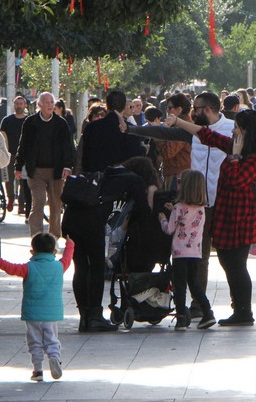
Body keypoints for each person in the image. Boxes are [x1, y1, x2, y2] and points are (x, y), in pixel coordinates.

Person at [125, 92, 235, 319]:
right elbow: (164, 132)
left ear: (208, 109)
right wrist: (132, 129)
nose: (192, 113)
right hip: (198, 202)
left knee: (229, 257)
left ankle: (238, 302)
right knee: (199, 256)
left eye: (196, 108)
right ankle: (196, 304)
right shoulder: (193, 132)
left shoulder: (232, 128)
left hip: (225, 201)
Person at [164, 109, 256, 326]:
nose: (233, 130)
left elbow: (237, 180)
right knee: (226, 262)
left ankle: (244, 312)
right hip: (226, 215)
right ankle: (238, 308)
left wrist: (235, 157)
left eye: (238, 127)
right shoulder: (235, 146)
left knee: (237, 265)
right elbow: (206, 135)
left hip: (241, 219)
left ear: (248, 131)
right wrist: (177, 122)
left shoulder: (254, 157)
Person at [62, 156, 158, 332]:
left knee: (81, 268)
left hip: (71, 220)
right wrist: (151, 190)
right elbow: (144, 212)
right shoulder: (134, 180)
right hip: (91, 224)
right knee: (97, 267)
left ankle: (84, 317)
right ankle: (95, 316)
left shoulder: (106, 173)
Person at [0, 233, 74, 382]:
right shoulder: (59, 266)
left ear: (32, 252)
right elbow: (67, 258)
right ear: (54, 252)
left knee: (34, 341)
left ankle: (38, 370)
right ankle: (54, 357)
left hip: (32, 313)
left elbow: (10, 268)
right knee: (52, 339)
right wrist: (70, 245)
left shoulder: (28, 268)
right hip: (51, 313)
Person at [158, 170, 217, 330]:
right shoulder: (201, 209)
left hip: (179, 254)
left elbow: (170, 229)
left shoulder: (178, 208)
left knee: (180, 287)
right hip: (195, 253)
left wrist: (163, 219)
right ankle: (208, 312)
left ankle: (181, 319)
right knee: (194, 285)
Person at [15, 92, 75, 239]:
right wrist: (18, 166)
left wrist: (68, 166)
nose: (50, 105)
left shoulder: (61, 123)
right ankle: (36, 238)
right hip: (36, 171)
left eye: (51, 102)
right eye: (46, 102)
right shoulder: (30, 123)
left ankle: (53, 238)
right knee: (38, 202)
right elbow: (23, 145)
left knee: (55, 204)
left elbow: (68, 146)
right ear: (39, 105)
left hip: (56, 171)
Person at [81, 90, 146, 173]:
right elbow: (135, 159)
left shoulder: (91, 127)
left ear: (107, 106)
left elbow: (85, 157)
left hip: (98, 178)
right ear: (124, 106)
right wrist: (143, 150)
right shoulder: (130, 130)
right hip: (123, 177)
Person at [0, 95, 30, 215]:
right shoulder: (7, 120)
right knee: (8, 178)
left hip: (24, 155)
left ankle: (21, 204)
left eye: (21, 104)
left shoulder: (29, 120)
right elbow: (2, 136)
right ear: (14, 105)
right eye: (17, 104)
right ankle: (10, 197)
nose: (19, 106)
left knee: (24, 180)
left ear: (25, 105)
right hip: (9, 154)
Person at [155, 92, 193, 189]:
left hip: (178, 178)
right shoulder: (185, 125)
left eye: (169, 108)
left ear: (179, 109)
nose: (167, 110)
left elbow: (167, 152)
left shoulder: (182, 127)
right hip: (178, 175)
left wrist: (158, 137)